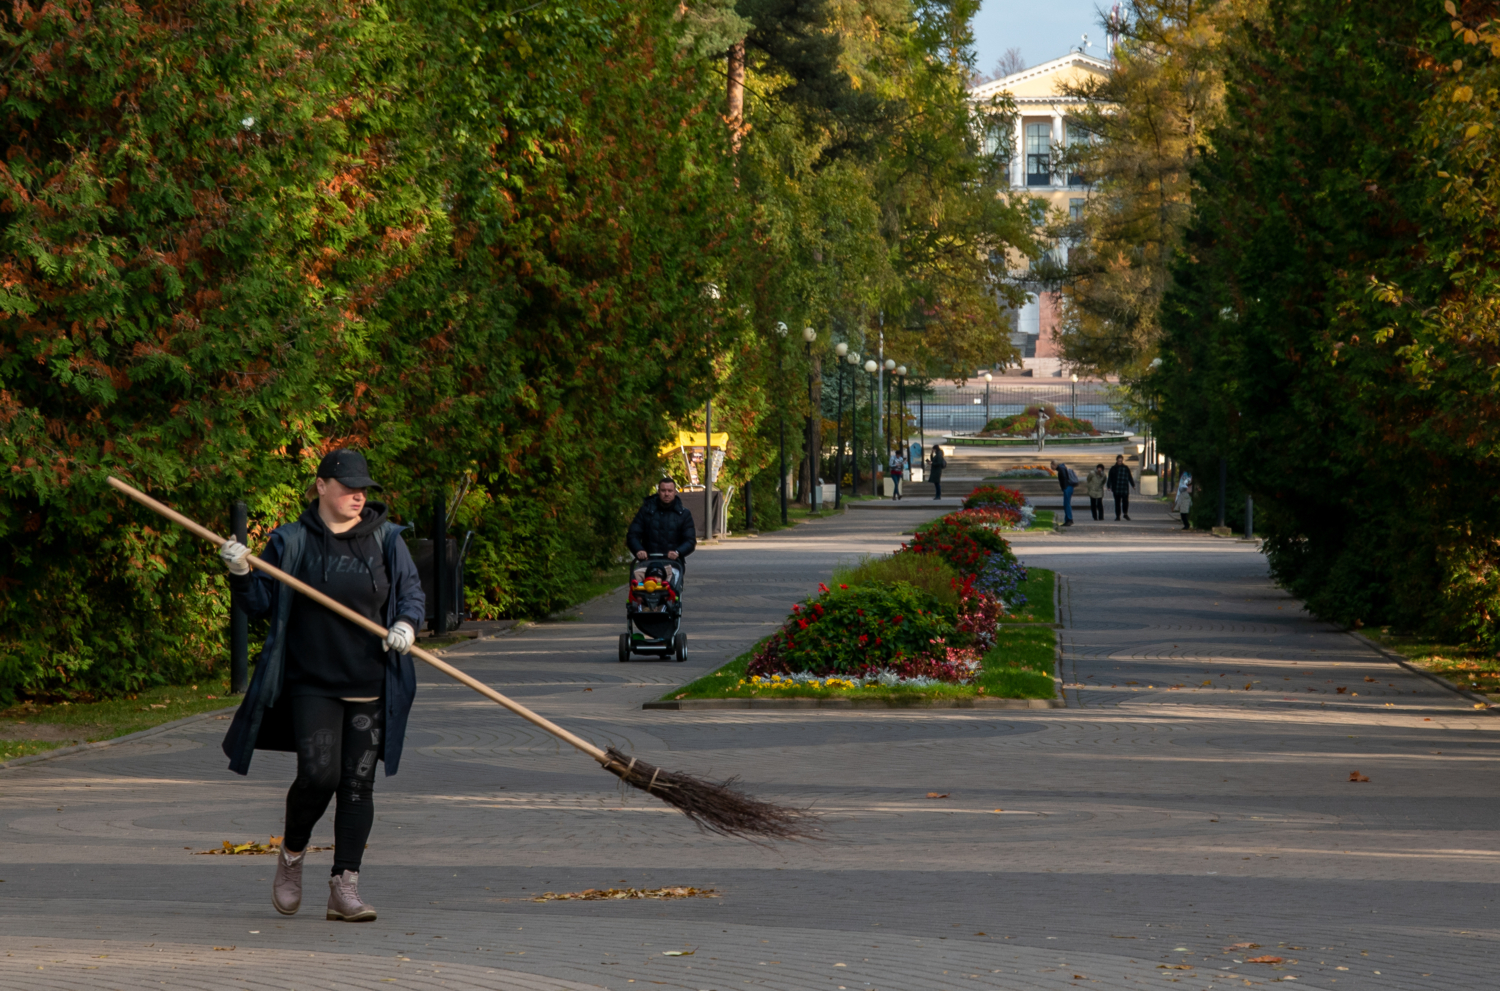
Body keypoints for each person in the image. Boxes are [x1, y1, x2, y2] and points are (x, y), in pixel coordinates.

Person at [218, 449, 426, 923]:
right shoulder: (292, 542)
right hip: (310, 681)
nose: (358, 496)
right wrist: (241, 572)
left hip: (370, 683)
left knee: (357, 785)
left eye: (364, 489)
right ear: (321, 487)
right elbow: (260, 604)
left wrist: (407, 624)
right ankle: (291, 858)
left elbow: (411, 593)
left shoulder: (387, 540)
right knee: (319, 776)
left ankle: (344, 887)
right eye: (349, 487)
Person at [626, 477, 697, 570]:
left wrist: (678, 552)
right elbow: (633, 535)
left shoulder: (683, 514)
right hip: (648, 562)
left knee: (671, 583)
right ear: (658, 492)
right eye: (663, 490)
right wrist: (639, 550)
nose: (666, 494)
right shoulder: (646, 511)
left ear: (675, 492)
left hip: (673, 564)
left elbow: (690, 540)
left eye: (670, 491)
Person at [1050, 459, 1080, 527]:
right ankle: (1068, 519)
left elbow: (1064, 478)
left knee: (1066, 504)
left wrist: (1064, 488)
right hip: (1068, 487)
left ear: (1054, 465)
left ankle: (1069, 519)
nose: (1051, 467)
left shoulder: (1061, 469)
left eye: (1051, 465)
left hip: (1067, 487)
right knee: (1066, 504)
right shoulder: (1062, 467)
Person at [1107, 454, 1136, 521]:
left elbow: (1129, 477)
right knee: (1117, 503)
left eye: (1121, 460)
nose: (1120, 462)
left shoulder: (1126, 468)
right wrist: (1109, 486)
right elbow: (1110, 478)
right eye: (1119, 460)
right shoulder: (1113, 468)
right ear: (1117, 460)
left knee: (1125, 502)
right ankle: (1118, 516)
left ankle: (1125, 514)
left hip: (1124, 488)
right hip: (1116, 488)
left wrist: (1133, 485)